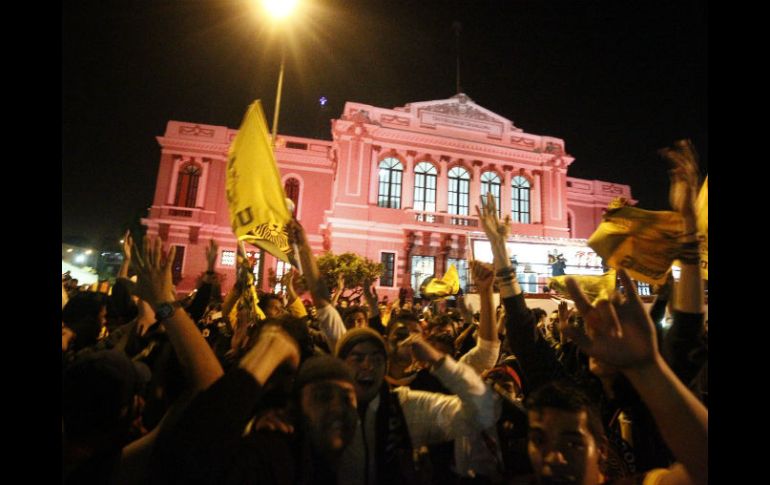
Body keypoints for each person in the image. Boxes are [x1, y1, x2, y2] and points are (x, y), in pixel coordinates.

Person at [523, 269, 707, 485]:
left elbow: (684, 337)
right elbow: (529, 351)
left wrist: (647, 367)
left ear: (601, 449)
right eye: (539, 440)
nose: (554, 458)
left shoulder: (647, 407)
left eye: (573, 444)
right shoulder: (581, 397)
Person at [334, 326, 496, 484]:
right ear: (340, 365)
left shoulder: (404, 407)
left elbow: (483, 410)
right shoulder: (323, 410)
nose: (368, 365)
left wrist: (438, 361)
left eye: (377, 359)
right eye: (358, 358)